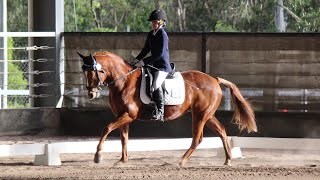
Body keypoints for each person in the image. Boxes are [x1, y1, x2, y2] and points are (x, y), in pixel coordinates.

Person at [134, 9, 173, 122]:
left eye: (155, 22)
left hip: (162, 66)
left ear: (161, 22)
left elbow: (160, 54)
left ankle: (160, 111)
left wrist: (144, 62)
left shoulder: (163, 34)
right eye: (152, 22)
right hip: (152, 65)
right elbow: (146, 49)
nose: (153, 24)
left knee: (156, 84)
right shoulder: (151, 34)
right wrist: (136, 60)